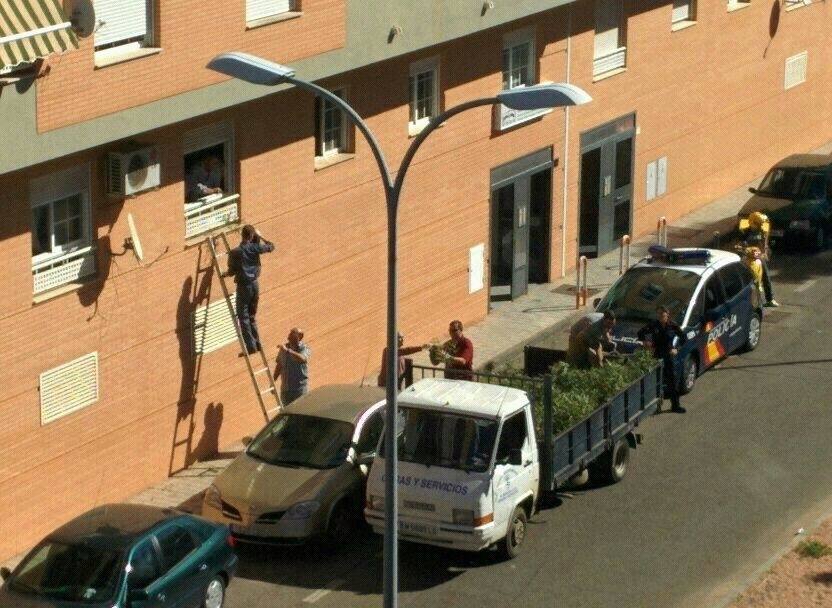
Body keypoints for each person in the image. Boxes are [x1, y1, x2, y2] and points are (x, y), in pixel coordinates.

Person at [225, 225, 275, 355]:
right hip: (255, 285)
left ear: (242, 235)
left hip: (244, 287)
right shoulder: (255, 248)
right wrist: (260, 236)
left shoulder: (235, 252)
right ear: (252, 236)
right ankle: (257, 345)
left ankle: (251, 347)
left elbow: (231, 271)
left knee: (243, 317)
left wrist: (226, 273)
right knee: (252, 316)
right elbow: (271, 246)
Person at [638, 306, 687, 414]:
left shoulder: (672, 325)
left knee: (672, 382)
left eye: (662, 315)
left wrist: (676, 349)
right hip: (656, 355)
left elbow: (684, 337)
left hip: (668, 355)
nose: (660, 317)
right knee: (656, 382)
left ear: (667, 315)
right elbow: (640, 333)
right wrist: (646, 342)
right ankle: (655, 407)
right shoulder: (654, 325)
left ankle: (675, 405)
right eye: (659, 315)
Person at [739, 211, 778, 307]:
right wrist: (744, 248)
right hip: (749, 259)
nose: (760, 225)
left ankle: (770, 299)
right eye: (757, 223)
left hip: (759, 257)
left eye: (760, 224)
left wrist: (765, 252)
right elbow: (740, 244)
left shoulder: (762, 230)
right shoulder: (745, 231)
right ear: (752, 222)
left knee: (765, 277)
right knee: (747, 280)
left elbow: (765, 242)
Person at [274, 328, 311, 405]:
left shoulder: (304, 348)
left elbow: (302, 358)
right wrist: (273, 380)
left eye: (293, 333)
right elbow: (279, 365)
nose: (289, 335)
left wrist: (287, 351)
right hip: (285, 389)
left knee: (300, 410)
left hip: (299, 389)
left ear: (299, 337)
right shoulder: (284, 348)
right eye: (290, 333)